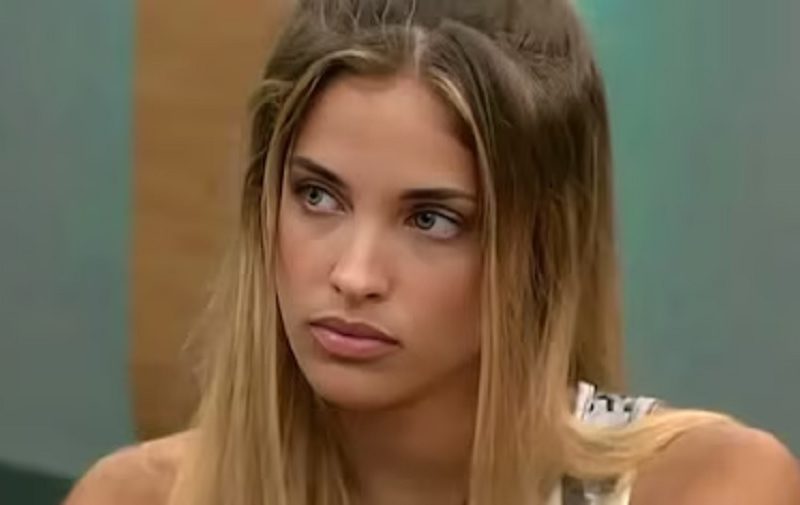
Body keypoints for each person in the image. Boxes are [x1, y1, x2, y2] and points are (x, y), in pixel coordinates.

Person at [65, 1, 800, 504]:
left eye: (431, 219)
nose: (353, 275)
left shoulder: (708, 486)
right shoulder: (137, 496)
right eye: (317, 196)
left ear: (541, 248)